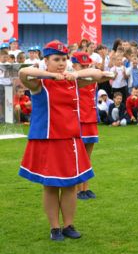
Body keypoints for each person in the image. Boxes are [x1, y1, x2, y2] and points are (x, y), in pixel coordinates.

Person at [18, 41, 102, 240]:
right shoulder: (39, 82)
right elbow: (23, 73)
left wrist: (75, 74)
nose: (62, 63)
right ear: (46, 61)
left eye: (64, 59)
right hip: (47, 139)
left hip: (70, 139)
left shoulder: (72, 80)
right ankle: (55, 228)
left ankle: (69, 225)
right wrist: (53, 75)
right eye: (56, 60)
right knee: (50, 185)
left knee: (70, 185)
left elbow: (98, 74)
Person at [71, 52, 111, 200]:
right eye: (82, 65)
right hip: (78, 119)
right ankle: (76, 189)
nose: (86, 68)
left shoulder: (92, 78)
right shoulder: (72, 78)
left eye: (87, 65)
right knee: (77, 157)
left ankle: (85, 188)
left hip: (91, 118)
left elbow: (107, 74)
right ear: (74, 66)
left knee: (87, 157)